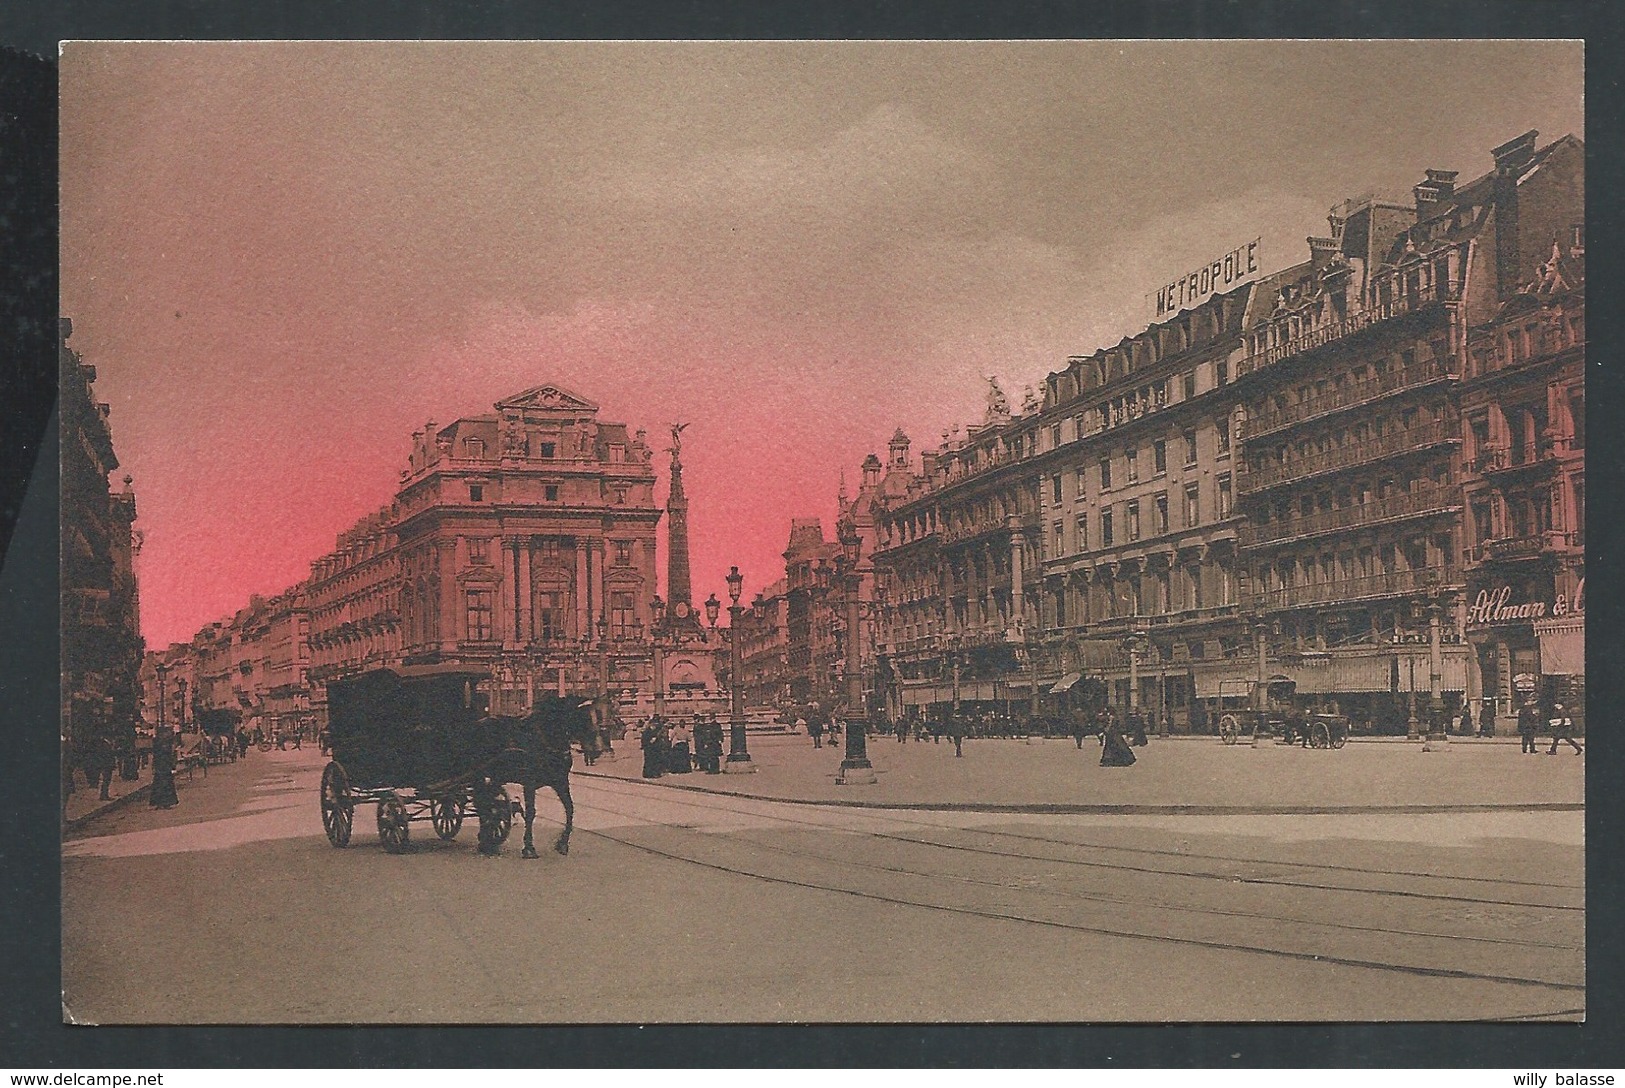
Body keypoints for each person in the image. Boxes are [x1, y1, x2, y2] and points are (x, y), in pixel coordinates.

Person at [148, 728, 180, 808]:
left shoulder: (162, 742)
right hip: (163, 764)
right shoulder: (162, 743)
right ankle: (164, 802)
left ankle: (161, 802)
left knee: (161, 782)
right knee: (163, 782)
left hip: (164, 764)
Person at [86, 735, 116, 801]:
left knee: (107, 779)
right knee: (106, 779)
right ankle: (104, 795)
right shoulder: (103, 744)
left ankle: (105, 794)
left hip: (107, 763)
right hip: (106, 764)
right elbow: (107, 754)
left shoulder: (106, 743)